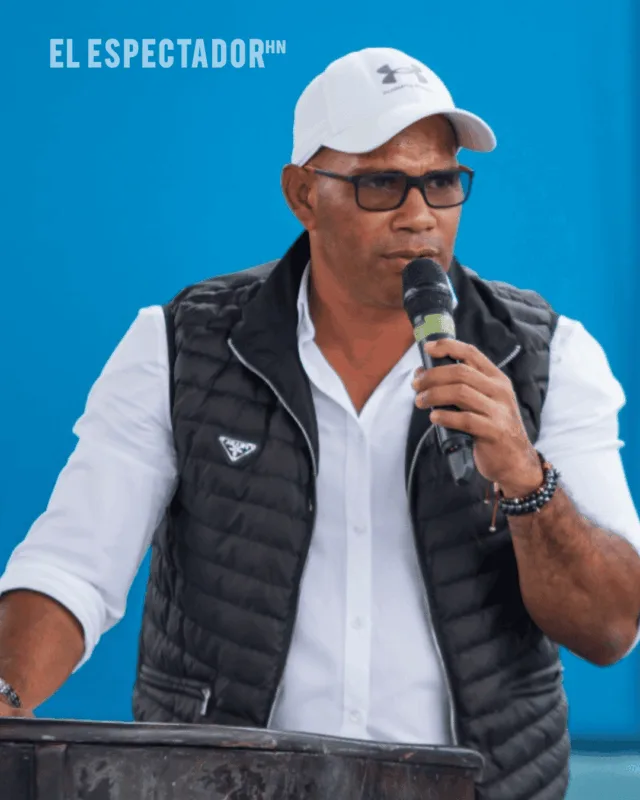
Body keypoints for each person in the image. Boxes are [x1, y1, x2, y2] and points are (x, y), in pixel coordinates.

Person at [1, 46, 639, 800]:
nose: (420, 216)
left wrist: (528, 479)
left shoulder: (548, 356)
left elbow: (609, 628)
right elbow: (74, 567)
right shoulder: (182, 346)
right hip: (230, 786)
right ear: (303, 194)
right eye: (380, 184)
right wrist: (8, 693)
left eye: (441, 182)